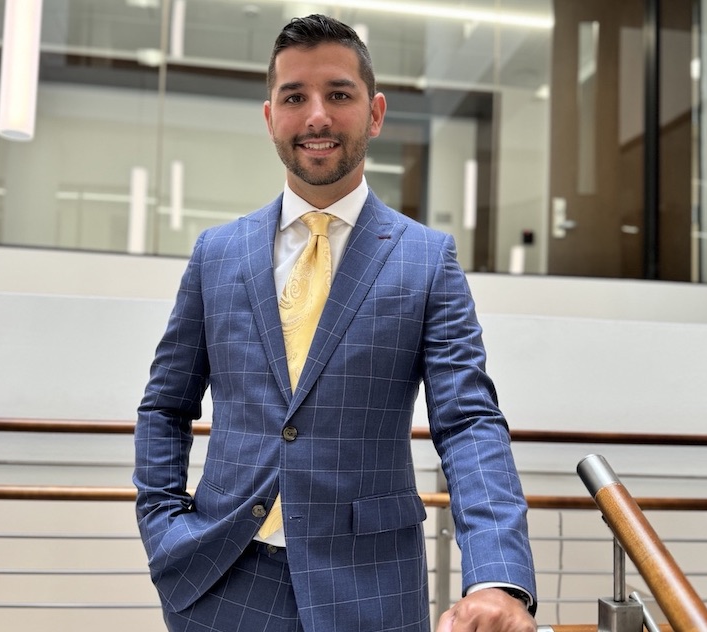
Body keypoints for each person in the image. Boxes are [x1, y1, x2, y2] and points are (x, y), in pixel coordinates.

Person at [134, 13, 537, 632]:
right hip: (222, 584)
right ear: (271, 117)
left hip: (371, 588)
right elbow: (165, 406)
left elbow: (468, 423)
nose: (316, 115)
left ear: (374, 113)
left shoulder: (427, 259)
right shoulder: (218, 254)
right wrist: (165, 526)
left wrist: (496, 575)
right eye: (295, 96)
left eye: (338, 94)